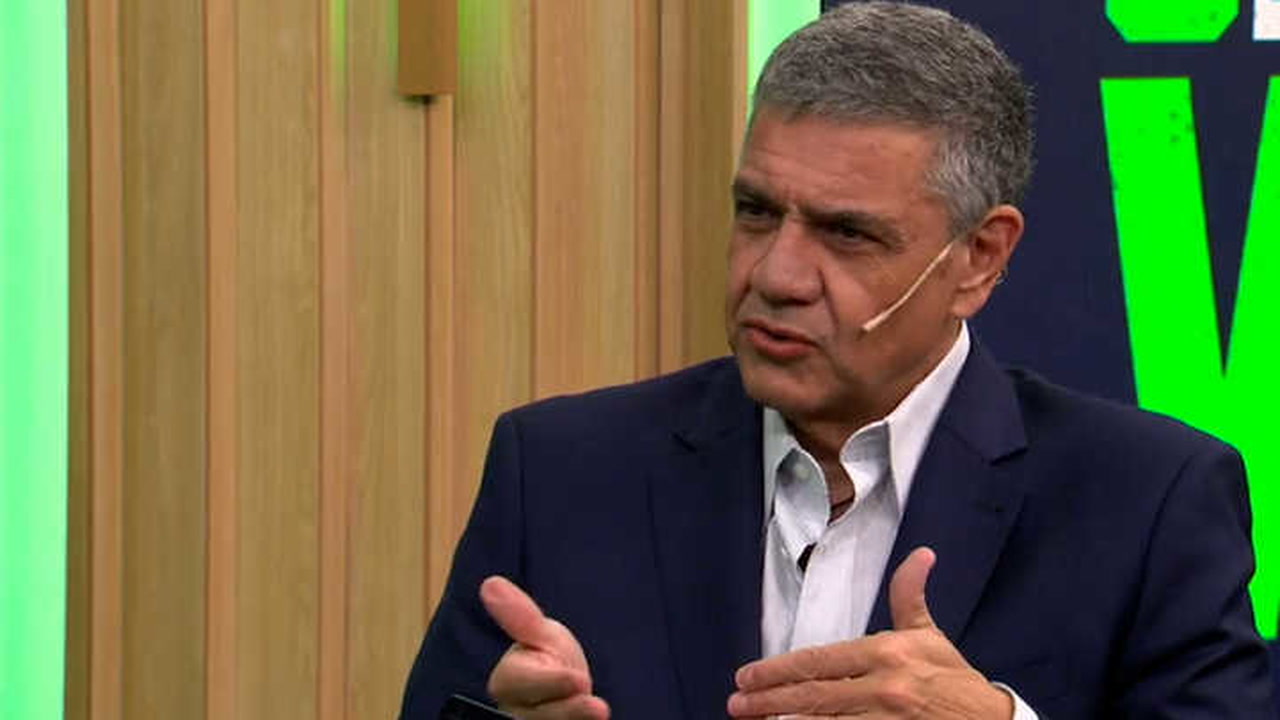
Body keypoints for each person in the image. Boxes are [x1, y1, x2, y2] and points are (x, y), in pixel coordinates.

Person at [399, 3, 1274, 718]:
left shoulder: (1148, 502)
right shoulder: (561, 471)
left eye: (847, 234)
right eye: (756, 212)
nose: (775, 276)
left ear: (979, 258)